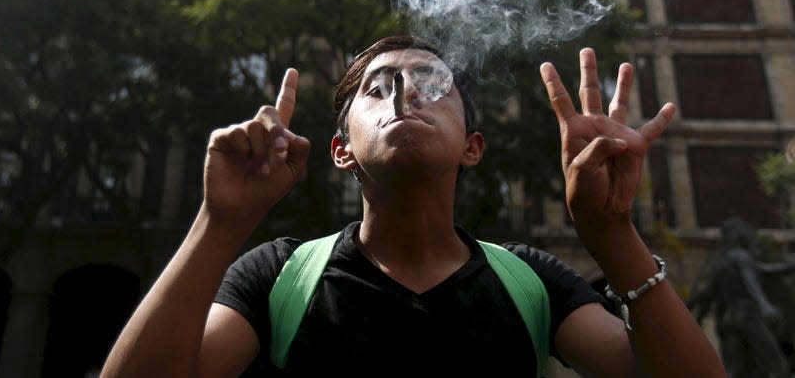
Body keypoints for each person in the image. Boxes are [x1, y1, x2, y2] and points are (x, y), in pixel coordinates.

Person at [102, 35, 726, 377]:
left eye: (431, 84)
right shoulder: (280, 276)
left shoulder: (530, 282)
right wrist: (220, 223)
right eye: (378, 88)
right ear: (341, 150)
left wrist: (612, 233)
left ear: (472, 147)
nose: (404, 92)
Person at [688, 216, 795, 378]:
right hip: (748, 317)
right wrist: (765, 306)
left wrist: (687, 309)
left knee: (734, 371)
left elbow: (706, 294)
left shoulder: (721, 263)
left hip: (727, 323)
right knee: (776, 365)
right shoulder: (741, 257)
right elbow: (750, 281)